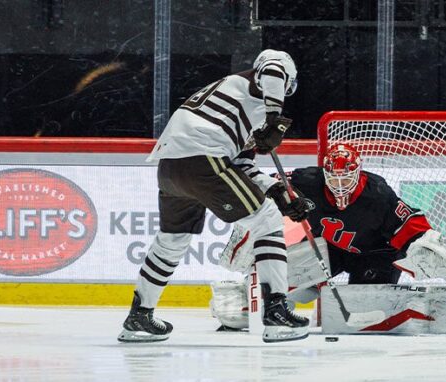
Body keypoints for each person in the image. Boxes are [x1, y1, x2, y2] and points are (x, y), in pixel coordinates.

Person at [119, 49, 312, 343]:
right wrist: (275, 120)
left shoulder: (233, 103)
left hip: (171, 167)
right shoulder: (255, 81)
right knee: (268, 221)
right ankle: (276, 311)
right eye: (288, 87)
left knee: (172, 240)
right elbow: (274, 65)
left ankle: (139, 316)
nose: (285, 91)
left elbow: (242, 166)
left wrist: (277, 191)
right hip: (203, 158)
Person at [212, 143, 446, 331]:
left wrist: (424, 244)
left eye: (346, 178)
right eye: (334, 178)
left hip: (374, 256)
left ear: (358, 173)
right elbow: (263, 190)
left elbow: (408, 222)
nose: (339, 185)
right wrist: (248, 231)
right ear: (325, 173)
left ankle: (433, 309)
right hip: (328, 249)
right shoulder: (307, 181)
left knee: (364, 312)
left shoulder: (378, 194)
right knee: (281, 281)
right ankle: (243, 305)